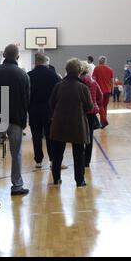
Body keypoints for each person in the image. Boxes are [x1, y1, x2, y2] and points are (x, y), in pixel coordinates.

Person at [0, 44, 30, 196]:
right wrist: (24, 120)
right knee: (16, 152)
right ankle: (17, 185)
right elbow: (26, 99)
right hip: (16, 117)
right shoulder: (23, 75)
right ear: (17, 57)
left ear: (4, 55)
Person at [49, 58, 93, 187]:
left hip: (59, 124)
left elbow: (51, 104)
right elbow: (89, 107)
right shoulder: (82, 87)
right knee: (79, 153)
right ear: (79, 71)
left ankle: (56, 179)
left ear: (67, 70)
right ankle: (79, 180)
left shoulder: (58, 86)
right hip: (77, 124)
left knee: (57, 153)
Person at [27, 53, 61, 169]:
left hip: (33, 109)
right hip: (48, 109)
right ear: (45, 62)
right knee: (49, 135)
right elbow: (58, 93)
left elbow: (27, 94)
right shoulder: (53, 75)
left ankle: (38, 161)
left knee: (36, 135)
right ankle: (52, 159)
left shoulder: (29, 75)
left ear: (35, 62)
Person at [80, 61, 103, 169]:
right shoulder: (93, 81)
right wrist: (95, 102)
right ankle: (86, 162)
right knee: (89, 137)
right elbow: (100, 95)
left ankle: (80, 159)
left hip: (80, 112)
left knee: (79, 137)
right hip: (92, 112)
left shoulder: (79, 81)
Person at [92, 56, 113, 128]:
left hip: (100, 91)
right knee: (105, 107)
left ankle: (104, 121)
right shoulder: (110, 69)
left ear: (99, 61)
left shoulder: (96, 69)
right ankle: (103, 122)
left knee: (100, 106)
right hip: (107, 91)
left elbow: (93, 80)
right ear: (105, 61)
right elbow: (111, 81)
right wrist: (111, 90)